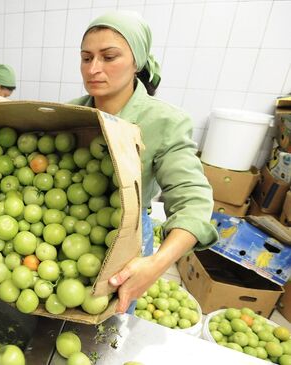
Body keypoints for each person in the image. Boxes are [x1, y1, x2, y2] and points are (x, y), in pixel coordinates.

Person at [68, 10, 218, 313]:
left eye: (109, 57)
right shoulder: (73, 113)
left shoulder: (164, 122)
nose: (94, 68)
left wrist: (156, 264)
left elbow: (194, 203)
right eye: (86, 58)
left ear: (136, 62)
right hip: (71, 230)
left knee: (109, 323)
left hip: (126, 237)